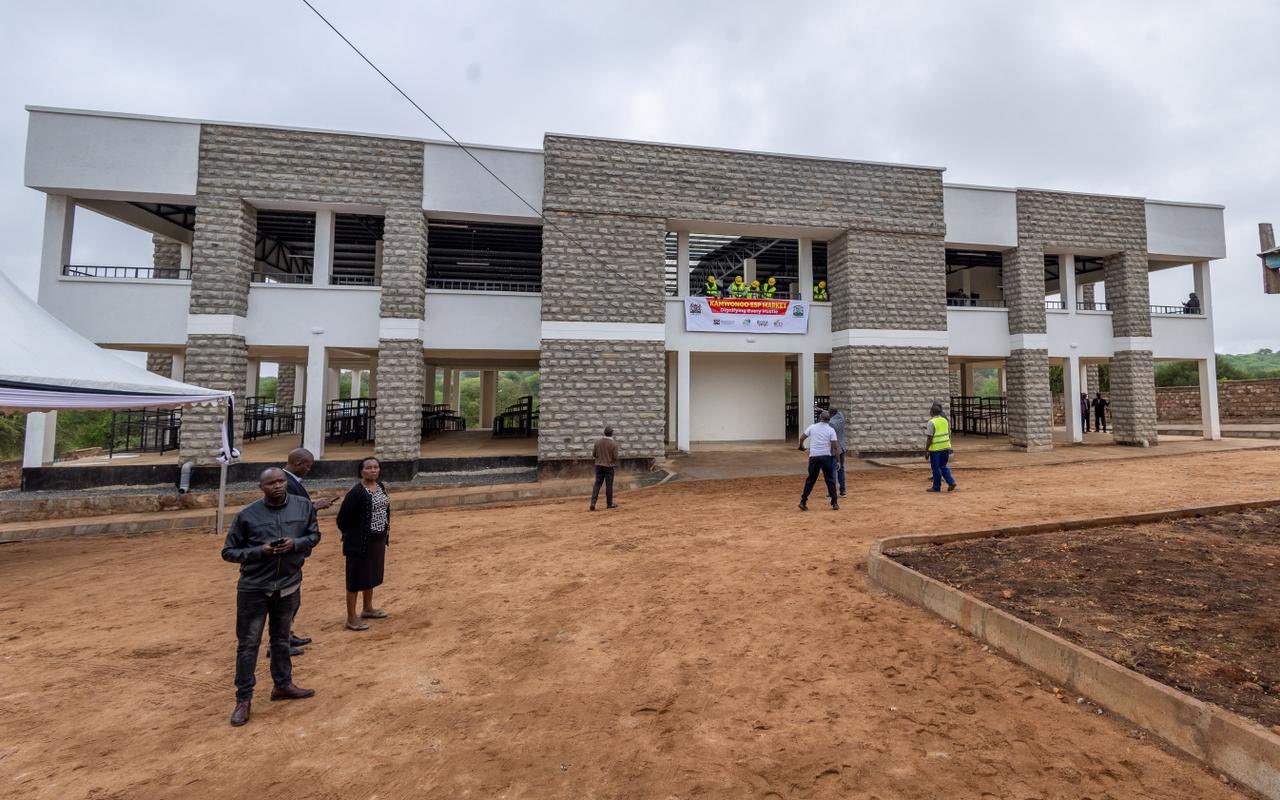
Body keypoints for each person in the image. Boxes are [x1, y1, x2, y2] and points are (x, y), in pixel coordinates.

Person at [221, 467, 321, 727]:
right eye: (271, 483)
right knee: (248, 644)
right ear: (261, 487)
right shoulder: (248, 515)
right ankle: (244, 698)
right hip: (255, 588)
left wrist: (296, 545)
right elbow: (229, 551)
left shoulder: (303, 507)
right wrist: (260, 551)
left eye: (281, 481)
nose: (277, 486)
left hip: (288, 584)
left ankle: (283, 683)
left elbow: (314, 535)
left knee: (280, 638)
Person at [281, 448, 335, 655]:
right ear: (298, 462)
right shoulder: (285, 482)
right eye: (307, 466)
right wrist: (314, 506)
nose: (308, 470)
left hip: (297, 546)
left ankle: (287, 633)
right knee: (287, 596)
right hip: (290, 545)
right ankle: (280, 642)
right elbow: (289, 512)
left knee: (294, 595)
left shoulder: (290, 481)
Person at [336, 457, 392, 632]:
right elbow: (342, 519)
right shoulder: (356, 493)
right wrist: (352, 534)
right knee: (355, 579)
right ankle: (351, 618)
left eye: (376, 467)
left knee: (371, 574)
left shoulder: (380, 487)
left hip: (378, 539)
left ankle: (368, 608)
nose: (373, 470)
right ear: (361, 471)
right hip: (360, 542)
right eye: (368, 468)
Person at [797, 411, 840, 511]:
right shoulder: (831, 430)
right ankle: (835, 503)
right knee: (830, 480)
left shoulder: (812, 427)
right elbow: (835, 447)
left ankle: (803, 501)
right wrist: (838, 461)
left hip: (814, 456)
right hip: (826, 457)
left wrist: (801, 446)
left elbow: (802, 437)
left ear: (820, 417)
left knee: (811, 479)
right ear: (829, 420)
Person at [924, 402, 957, 493]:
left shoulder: (931, 422)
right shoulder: (945, 420)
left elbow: (930, 438)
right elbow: (947, 433)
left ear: (932, 412)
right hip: (946, 447)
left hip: (936, 449)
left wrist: (926, 450)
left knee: (936, 468)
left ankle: (936, 487)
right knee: (943, 466)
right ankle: (951, 482)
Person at [589, 426, 619, 511]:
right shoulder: (614, 444)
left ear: (604, 433)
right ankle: (609, 504)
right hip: (609, 467)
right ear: (611, 433)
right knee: (609, 485)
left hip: (598, 466)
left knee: (597, 484)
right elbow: (615, 457)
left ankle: (593, 503)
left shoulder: (597, 442)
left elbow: (594, 454)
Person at [828, 406, 848, 498]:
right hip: (842, 447)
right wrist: (821, 410)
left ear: (830, 414)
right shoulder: (841, 417)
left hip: (835, 449)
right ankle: (843, 491)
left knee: (832, 470)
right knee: (841, 469)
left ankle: (832, 492)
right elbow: (836, 412)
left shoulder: (831, 423)